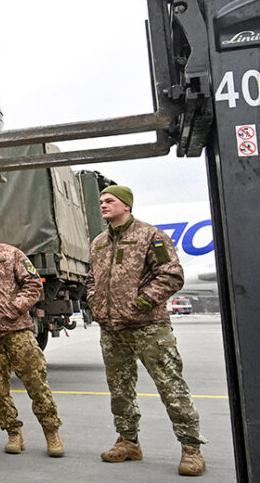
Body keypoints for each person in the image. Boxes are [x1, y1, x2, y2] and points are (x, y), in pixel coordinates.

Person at [87, 185, 206, 476]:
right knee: (120, 390)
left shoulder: (150, 235)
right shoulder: (99, 242)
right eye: (101, 201)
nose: (103, 205)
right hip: (112, 329)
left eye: (109, 201)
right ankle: (128, 441)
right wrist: (94, 302)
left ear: (126, 205)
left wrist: (140, 302)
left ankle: (191, 450)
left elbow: (172, 274)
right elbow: (92, 278)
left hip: (148, 327)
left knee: (171, 387)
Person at [0, 216, 64, 457]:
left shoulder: (12, 254)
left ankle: (51, 432)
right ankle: (13, 433)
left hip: (17, 332)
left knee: (36, 382)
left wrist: (16, 307)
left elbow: (33, 284)